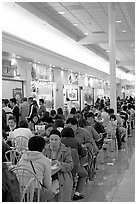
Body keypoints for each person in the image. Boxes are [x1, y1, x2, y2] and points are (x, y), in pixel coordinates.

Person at [17, 136, 54, 201]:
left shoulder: (22, 158)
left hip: (19, 191)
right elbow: (47, 184)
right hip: (35, 192)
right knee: (51, 192)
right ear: (43, 148)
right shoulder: (46, 161)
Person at [43, 129, 74, 202]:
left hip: (62, 177)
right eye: (51, 139)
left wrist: (61, 165)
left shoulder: (66, 150)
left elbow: (70, 165)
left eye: (56, 139)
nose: (53, 142)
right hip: (48, 176)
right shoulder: (45, 149)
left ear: (60, 140)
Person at [61, 127, 88, 200]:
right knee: (84, 174)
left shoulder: (59, 141)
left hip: (61, 164)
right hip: (73, 164)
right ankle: (77, 193)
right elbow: (83, 153)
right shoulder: (76, 141)